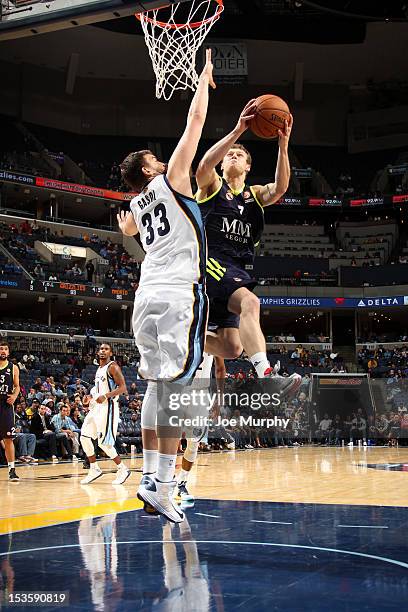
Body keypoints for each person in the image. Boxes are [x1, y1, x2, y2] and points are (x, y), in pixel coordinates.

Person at [117, 49, 215, 523]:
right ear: (151, 170)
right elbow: (195, 121)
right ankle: (167, 483)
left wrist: (127, 229)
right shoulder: (173, 178)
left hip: (145, 296)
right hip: (179, 293)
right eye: (155, 159)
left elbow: (130, 229)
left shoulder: (136, 205)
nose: (162, 159)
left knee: (157, 388)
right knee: (179, 392)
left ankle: (149, 480)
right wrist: (202, 79)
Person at [195, 101, 301, 396]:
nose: (232, 156)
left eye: (239, 154)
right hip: (210, 262)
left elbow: (280, 188)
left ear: (248, 165)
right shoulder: (212, 186)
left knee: (231, 347)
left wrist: (283, 144)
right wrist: (238, 129)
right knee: (251, 304)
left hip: (235, 270)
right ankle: (267, 375)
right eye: (228, 154)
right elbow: (203, 167)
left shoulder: (255, 195)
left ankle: (182, 334)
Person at [80, 343, 129, 485]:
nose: (103, 351)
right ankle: (94, 468)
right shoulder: (99, 369)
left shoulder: (112, 367)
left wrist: (106, 396)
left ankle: (123, 469)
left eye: (106, 349)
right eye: (101, 349)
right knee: (84, 436)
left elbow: (123, 387)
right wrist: (89, 397)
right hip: (96, 407)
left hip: (108, 408)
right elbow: (98, 389)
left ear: (111, 353)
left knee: (104, 443)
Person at [0, 342, 20, 480]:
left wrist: (14, 396)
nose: (3, 351)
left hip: (6, 405)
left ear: (8, 352)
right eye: (1, 348)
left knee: (8, 438)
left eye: (5, 349)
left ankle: (12, 469)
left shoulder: (13, 367)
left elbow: (17, 386)